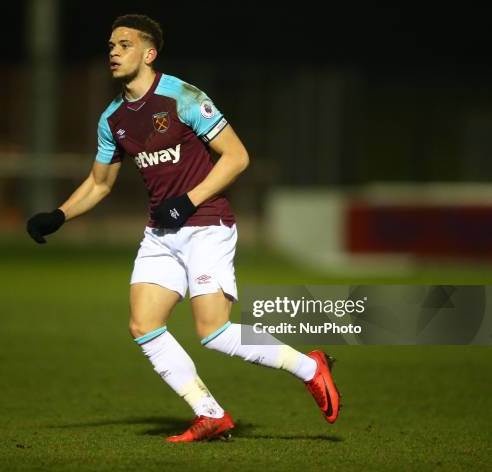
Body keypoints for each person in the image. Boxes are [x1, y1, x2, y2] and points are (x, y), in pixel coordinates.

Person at [27, 13, 340, 442]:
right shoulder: (112, 118)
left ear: (149, 53)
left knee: (213, 332)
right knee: (143, 324)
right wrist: (59, 215)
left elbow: (237, 157)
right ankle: (209, 412)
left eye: (124, 45)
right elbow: (100, 183)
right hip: (161, 234)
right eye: (111, 47)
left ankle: (311, 367)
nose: (114, 53)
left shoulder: (183, 97)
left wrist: (188, 200)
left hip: (207, 226)